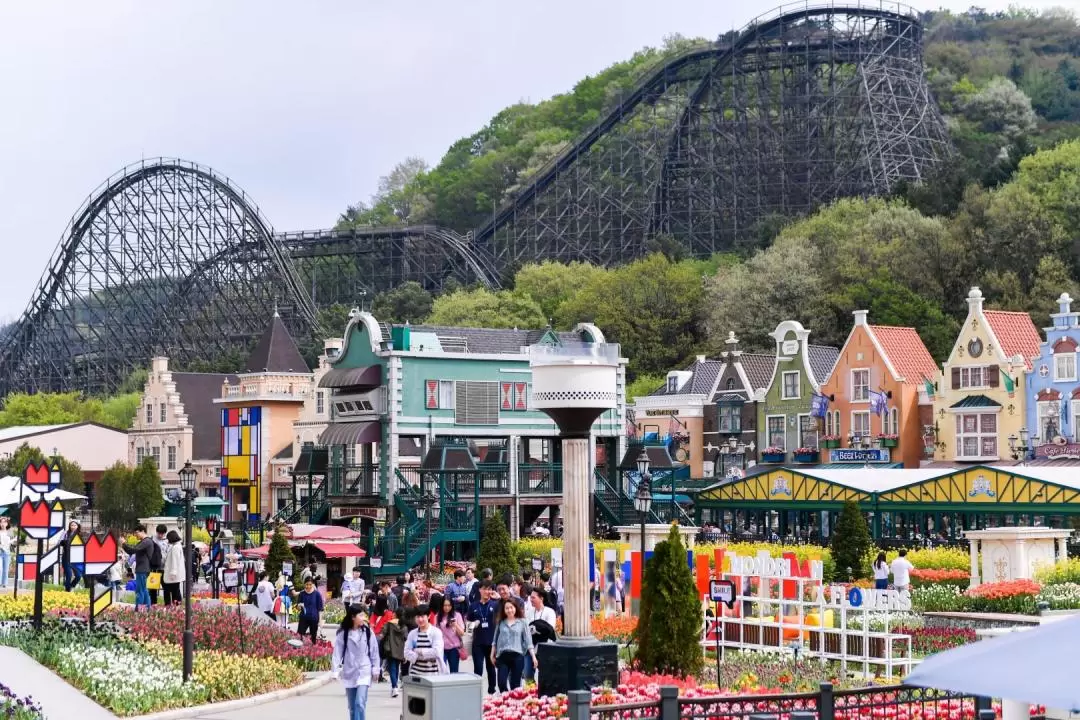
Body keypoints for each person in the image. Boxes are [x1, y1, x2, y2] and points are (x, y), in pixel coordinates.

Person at [332, 604, 381, 720]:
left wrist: (376, 668)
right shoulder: (343, 633)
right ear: (353, 617)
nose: (363, 617)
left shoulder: (368, 632)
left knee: (360, 703)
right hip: (349, 671)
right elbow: (337, 653)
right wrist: (335, 670)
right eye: (361, 615)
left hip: (364, 670)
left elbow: (374, 651)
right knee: (352, 708)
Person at [491, 597, 535, 692]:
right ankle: (506, 701)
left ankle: (514, 704)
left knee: (515, 685)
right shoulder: (501, 622)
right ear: (504, 610)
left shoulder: (522, 622)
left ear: (515, 608)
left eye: (511, 607)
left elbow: (528, 641)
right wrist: (492, 654)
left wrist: (533, 657)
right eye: (507, 608)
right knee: (501, 683)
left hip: (517, 656)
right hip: (502, 656)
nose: (509, 610)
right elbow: (495, 640)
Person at [467, 580, 499, 694]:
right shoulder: (473, 606)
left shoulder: (495, 605)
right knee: (478, 669)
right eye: (485, 589)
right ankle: (477, 692)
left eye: (490, 589)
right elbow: (468, 626)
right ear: (480, 590)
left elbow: (508, 609)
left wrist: (499, 598)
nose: (487, 591)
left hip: (492, 643)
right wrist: (473, 624)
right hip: (478, 643)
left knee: (491, 669)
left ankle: (491, 691)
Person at [524, 588, 557, 681]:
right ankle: (531, 694)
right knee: (527, 675)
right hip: (530, 648)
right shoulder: (529, 612)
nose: (531, 600)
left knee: (545, 676)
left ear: (541, 598)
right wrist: (539, 628)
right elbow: (526, 629)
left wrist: (535, 628)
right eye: (530, 598)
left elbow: (550, 629)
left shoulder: (549, 612)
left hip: (545, 648)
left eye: (533, 598)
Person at [404, 605, 445, 676]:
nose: (420, 619)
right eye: (417, 617)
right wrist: (424, 655)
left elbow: (437, 652)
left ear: (428, 616)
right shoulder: (412, 633)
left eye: (422, 616)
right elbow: (406, 653)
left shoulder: (436, 632)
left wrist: (419, 651)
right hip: (415, 673)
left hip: (433, 674)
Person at [122, 525, 155, 609]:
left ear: (143, 531)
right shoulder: (145, 541)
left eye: (136, 533)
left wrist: (123, 544)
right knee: (144, 590)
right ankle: (146, 609)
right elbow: (132, 550)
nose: (135, 535)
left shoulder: (146, 541)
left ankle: (139, 610)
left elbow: (132, 550)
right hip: (143, 569)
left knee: (140, 590)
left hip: (142, 569)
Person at [379, 608, 407, 698]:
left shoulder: (389, 624)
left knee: (392, 668)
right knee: (396, 667)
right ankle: (395, 686)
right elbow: (406, 638)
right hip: (400, 650)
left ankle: (394, 687)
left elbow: (382, 634)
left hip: (390, 648)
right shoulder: (404, 627)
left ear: (395, 614)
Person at [435, 596, 466, 673]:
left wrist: (455, 625)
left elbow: (462, 633)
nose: (447, 608)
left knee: (454, 672)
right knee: (441, 672)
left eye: (449, 605)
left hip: (454, 648)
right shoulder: (437, 616)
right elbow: (435, 633)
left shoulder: (457, 615)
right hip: (441, 648)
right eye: (445, 605)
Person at [295, 577, 324, 643]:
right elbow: (298, 607)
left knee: (313, 638)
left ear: (313, 584)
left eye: (310, 584)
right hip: (303, 618)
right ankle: (299, 651)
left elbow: (320, 609)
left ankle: (312, 651)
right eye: (307, 584)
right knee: (299, 636)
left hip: (314, 619)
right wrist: (299, 606)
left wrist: (320, 621)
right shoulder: (302, 594)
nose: (308, 586)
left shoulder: (317, 594)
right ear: (304, 584)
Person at [162, 530, 185, 606]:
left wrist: (173, 573)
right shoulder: (178, 546)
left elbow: (175, 561)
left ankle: (176, 606)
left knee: (174, 591)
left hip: (173, 574)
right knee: (176, 590)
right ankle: (177, 605)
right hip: (176, 574)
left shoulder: (175, 547)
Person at [147, 524, 167, 605]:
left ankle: (167, 604)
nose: (161, 535)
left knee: (166, 587)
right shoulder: (152, 540)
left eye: (162, 534)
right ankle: (153, 604)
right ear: (156, 532)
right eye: (159, 533)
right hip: (154, 568)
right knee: (153, 588)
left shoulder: (168, 540)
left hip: (164, 568)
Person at [60, 520, 82, 591]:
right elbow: (59, 542)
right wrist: (65, 542)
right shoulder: (65, 533)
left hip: (76, 558)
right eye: (71, 525)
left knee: (78, 576)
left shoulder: (80, 535)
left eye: (75, 525)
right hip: (66, 557)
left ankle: (71, 586)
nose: (73, 527)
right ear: (69, 526)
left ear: (77, 526)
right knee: (68, 575)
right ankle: (67, 591)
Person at [0, 516, 15, 588]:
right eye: (1, 522)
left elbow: (13, 543)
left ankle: (4, 584)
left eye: (4, 522)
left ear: (7, 524)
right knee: (0, 568)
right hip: (0, 551)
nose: (3, 524)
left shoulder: (10, 532)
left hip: (7, 552)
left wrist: (14, 541)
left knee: (6, 569)